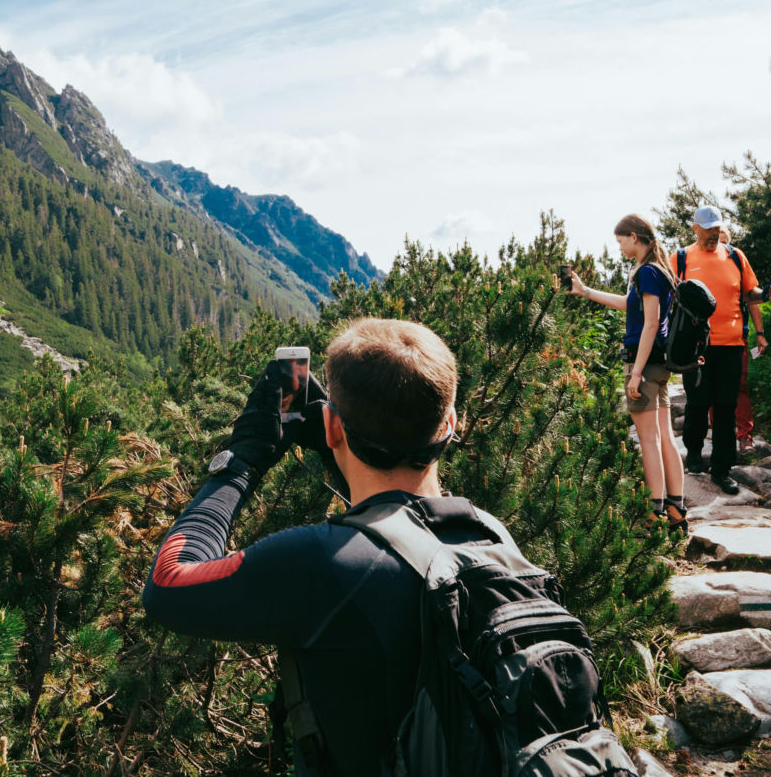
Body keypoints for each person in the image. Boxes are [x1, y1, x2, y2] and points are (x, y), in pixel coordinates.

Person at [142, 318, 514, 776]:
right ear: (451, 423)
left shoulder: (326, 562)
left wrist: (241, 461)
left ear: (333, 426)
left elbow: (167, 584)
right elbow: (403, 524)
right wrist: (341, 445)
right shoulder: (493, 536)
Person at [566, 215, 686, 532]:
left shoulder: (646, 272)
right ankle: (676, 511)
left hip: (644, 364)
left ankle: (654, 514)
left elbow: (649, 324)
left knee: (649, 440)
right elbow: (630, 307)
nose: (619, 247)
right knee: (666, 439)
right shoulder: (660, 271)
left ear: (633, 237)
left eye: (620, 241)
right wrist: (586, 291)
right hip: (661, 365)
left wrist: (636, 373)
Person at [670, 205, 766, 494]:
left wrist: (767, 293)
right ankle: (695, 456)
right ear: (695, 228)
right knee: (698, 405)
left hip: (731, 345)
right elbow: (669, 297)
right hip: (696, 346)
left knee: (726, 407)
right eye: (707, 229)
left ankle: (722, 471)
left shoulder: (735, 256)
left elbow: (751, 292)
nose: (713, 234)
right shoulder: (682, 258)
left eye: (716, 228)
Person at [716, 226, 767, 455]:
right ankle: (721, 435)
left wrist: (760, 333)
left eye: (725, 241)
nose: (721, 245)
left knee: (740, 386)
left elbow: (751, 298)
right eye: (717, 240)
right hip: (708, 339)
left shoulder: (736, 261)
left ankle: (745, 436)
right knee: (713, 389)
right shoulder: (697, 262)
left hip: (738, 336)